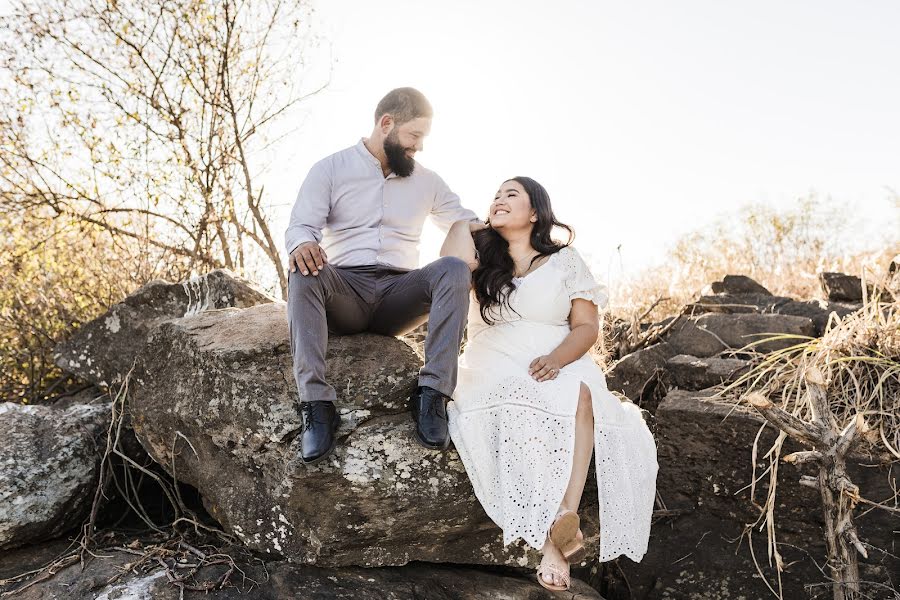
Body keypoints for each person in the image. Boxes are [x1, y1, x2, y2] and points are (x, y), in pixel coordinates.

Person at [440, 177, 658, 591]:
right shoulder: (480, 262)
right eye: (496, 195)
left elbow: (586, 326)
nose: (499, 200)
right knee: (510, 402)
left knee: (581, 393)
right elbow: (446, 268)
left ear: (535, 212)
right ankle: (552, 544)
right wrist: (461, 226)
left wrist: (558, 360)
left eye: (511, 195)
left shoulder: (566, 261)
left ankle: (564, 517)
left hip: (558, 356)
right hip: (493, 360)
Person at [284, 87, 480, 465]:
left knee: (453, 269)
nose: (418, 147)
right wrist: (302, 244)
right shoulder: (330, 169)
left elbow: (464, 221)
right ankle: (316, 405)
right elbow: (301, 226)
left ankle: (433, 395)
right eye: (414, 136)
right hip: (345, 291)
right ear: (386, 124)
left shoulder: (428, 180)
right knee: (303, 270)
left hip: (399, 294)